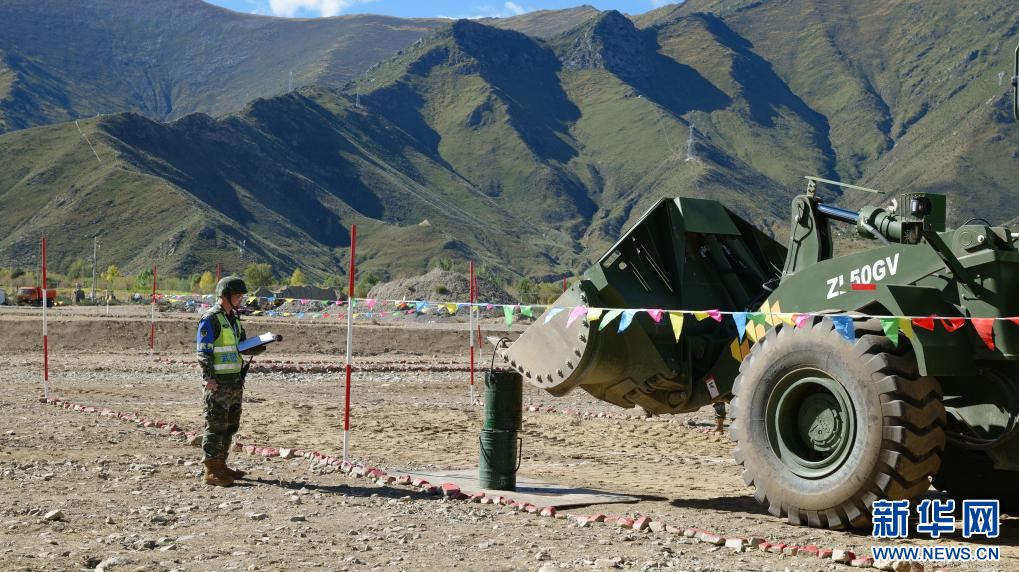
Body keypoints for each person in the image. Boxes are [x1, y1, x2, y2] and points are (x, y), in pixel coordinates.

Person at [196, 276, 260, 486]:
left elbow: (240, 346)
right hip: (218, 383)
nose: (241, 299)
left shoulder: (234, 318)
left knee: (230, 425)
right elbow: (204, 351)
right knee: (215, 426)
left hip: (234, 380)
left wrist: (256, 347)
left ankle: (221, 465)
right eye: (237, 295)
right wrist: (209, 378)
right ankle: (211, 470)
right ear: (225, 296)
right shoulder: (211, 318)